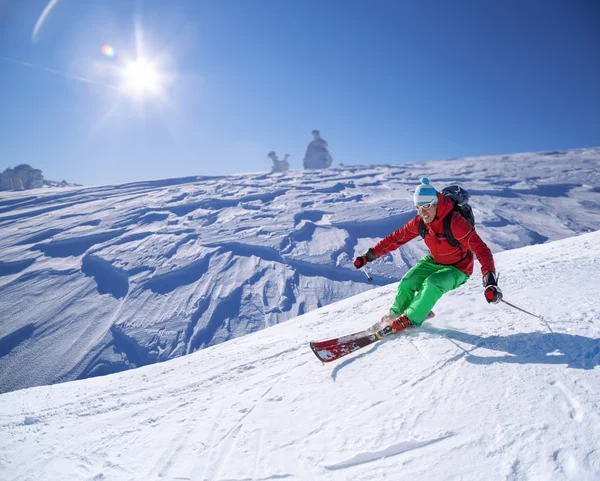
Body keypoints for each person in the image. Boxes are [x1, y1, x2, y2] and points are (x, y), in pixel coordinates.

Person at [353, 177, 502, 333]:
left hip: (459, 268)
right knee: (407, 282)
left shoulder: (456, 223)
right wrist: (368, 256)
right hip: (435, 260)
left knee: (432, 283)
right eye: (418, 207)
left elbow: (482, 249)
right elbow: (395, 239)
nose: (422, 212)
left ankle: (410, 318)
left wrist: (490, 281)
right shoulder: (420, 221)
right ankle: (395, 315)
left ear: (436, 203)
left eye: (426, 206)